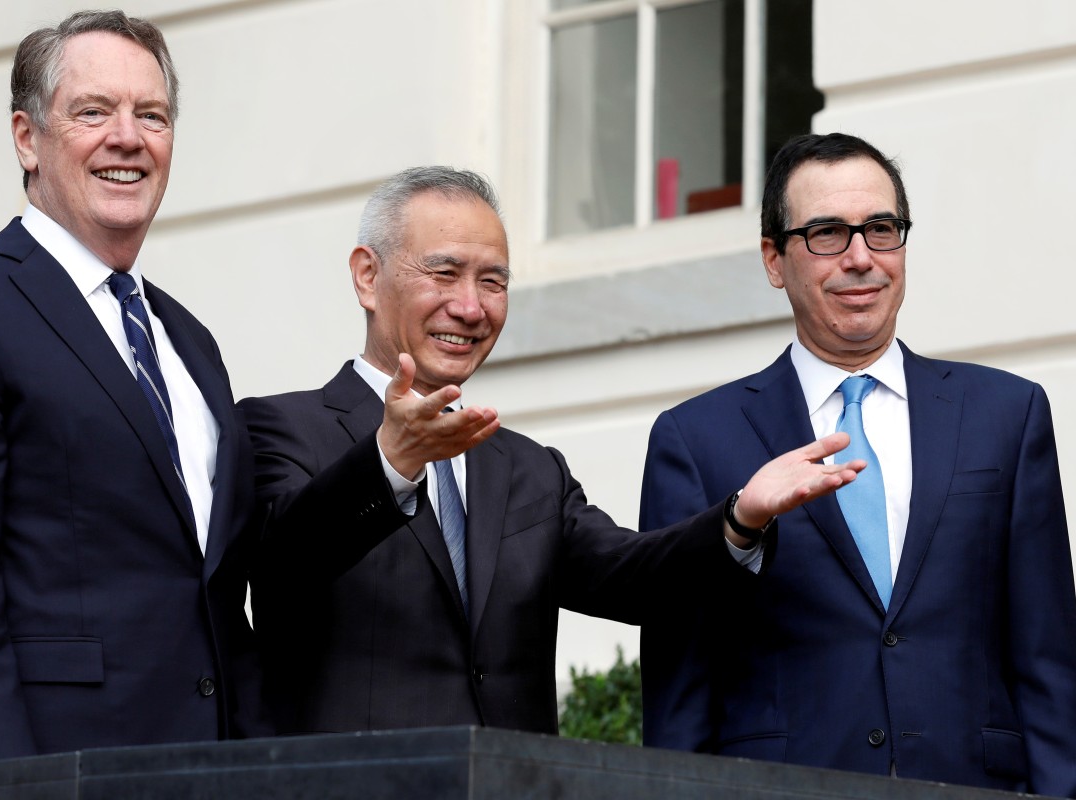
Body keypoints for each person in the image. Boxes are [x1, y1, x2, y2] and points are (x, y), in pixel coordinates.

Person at [239, 165, 863, 735]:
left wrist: (741, 518)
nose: (470, 307)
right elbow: (280, 566)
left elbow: (633, 580)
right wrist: (390, 463)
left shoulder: (528, 469)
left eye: (493, 282)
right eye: (444, 273)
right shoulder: (280, 428)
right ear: (367, 277)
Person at [0, 11, 265, 765]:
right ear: (27, 138)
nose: (128, 137)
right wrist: (12, 787)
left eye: (152, 115)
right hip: (59, 771)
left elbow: (213, 596)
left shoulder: (189, 342)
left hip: (212, 772)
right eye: (93, 112)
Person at [638, 132, 1076, 796]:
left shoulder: (1006, 415)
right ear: (774, 259)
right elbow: (681, 688)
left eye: (881, 229)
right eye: (827, 234)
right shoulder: (697, 440)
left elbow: (1048, 660)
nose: (861, 258)